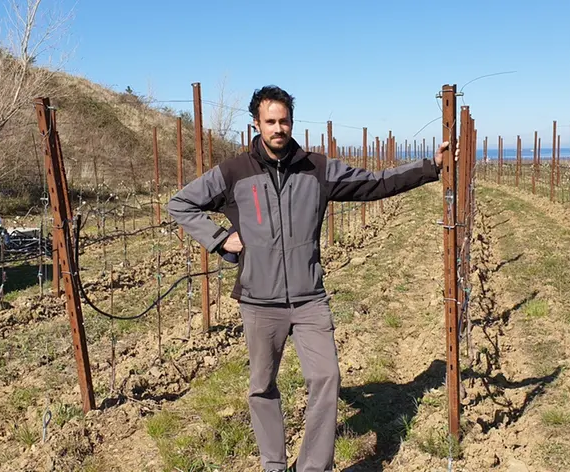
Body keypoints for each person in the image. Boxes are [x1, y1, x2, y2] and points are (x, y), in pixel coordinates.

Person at [167, 85, 451, 472]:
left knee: (326, 378)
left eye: (284, 121)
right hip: (258, 300)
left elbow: (374, 183)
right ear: (256, 124)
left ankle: (313, 467)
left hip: (308, 299)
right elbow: (181, 202)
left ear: (292, 123)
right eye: (270, 122)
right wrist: (219, 239)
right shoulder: (234, 172)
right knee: (262, 386)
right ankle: (274, 464)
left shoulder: (317, 169)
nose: (278, 128)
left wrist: (428, 168)